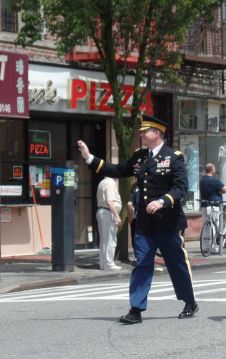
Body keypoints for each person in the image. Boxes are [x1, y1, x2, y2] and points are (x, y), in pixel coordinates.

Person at [77, 114, 198, 324]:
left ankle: (189, 301)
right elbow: (117, 170)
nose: (141, 134)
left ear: (157, 134)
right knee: (142, 263)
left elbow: (180, 187)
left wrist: (163, 201)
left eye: (145, 131)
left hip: (168, 223)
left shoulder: (174, 157)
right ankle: (136, 309)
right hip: (145, 224)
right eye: (141, 131)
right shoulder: (140, 156)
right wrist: (90, 158)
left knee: (177, 263)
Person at [200, 163, 226, 253]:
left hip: (204, 205)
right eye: (214, 169)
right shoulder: (214, 180)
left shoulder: (202, 180)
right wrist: (219, 191)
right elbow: (225, 190)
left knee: (206, 227)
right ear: (212, 170)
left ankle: (205, 247)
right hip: (214, 206)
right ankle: (214, 247)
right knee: (215, 227)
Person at [96, 176, 122, 271]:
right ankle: (109, 263)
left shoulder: (103, 182)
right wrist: (117, 216)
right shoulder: (110, 183)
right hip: (108, 212)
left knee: (104, 239)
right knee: (110, 239)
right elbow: (109, 201)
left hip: (103, 211)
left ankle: (103, 263)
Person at [126, 178, 139, 264]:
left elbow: (129, 205)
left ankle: (137, 257)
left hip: (136, 219)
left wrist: (130, 218)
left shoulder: (134, 193)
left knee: (135, 237)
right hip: (147, 220)